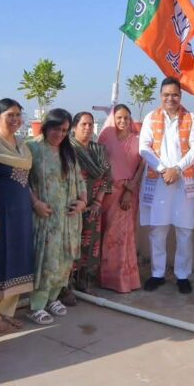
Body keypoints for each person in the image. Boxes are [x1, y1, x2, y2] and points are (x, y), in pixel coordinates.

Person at [138, 77, 194, 294]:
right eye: (166, 95)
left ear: (180, 96)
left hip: (184, 181)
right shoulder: (151, 117)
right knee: (159, 229)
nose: (170, 98)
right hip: (159, 180)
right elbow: (144, 148)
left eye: (174, 94)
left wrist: (177, 169)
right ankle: (157, 274)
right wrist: (164, 169)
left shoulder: (191, 117)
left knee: (184, 230)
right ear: (160, 96)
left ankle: (182, 275)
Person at [0, 99, 35, 332]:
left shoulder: (22, 144)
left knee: (19, 258)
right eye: (10, 115)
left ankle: (6, 311)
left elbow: (28, 178)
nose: (15, 119)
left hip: (22, 211)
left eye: (18, 115)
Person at [26, 108, 86, 324]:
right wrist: (35, 203)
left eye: (64, 130)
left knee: (64, 261)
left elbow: (79, 180)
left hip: (69, 219)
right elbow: (22, 181)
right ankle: (36, 305)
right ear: (46, 126)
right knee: (47, 261)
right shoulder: (32, 148)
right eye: (56, 128)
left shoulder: (68, 151)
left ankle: (53, 298)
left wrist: (82, 202)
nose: (59, 134)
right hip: (46, 217)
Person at [97, 105, 145, 292]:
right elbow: (100, 167)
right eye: (118, 118)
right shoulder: (106, 140)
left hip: (128, 193)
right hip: (109, 193)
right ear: (113, 120)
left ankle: (125, 280)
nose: (123, 122)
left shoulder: (138, 141)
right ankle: (107, 278)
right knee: (108, 234)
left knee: (125, 236)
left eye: (126, 118)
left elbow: (142, 167)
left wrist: (130, 189)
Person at [66, 111, 112, 301]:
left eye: (91, 125)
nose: (87, 128)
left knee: (89, 243)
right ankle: (65, 287)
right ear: (74, 127)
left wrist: (98, 201)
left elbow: (107, 177)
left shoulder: (98, 149)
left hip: (93, 205)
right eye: (83, 124)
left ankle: (83, 283)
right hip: (71, 206)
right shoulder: (67, 149)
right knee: (70, 245)